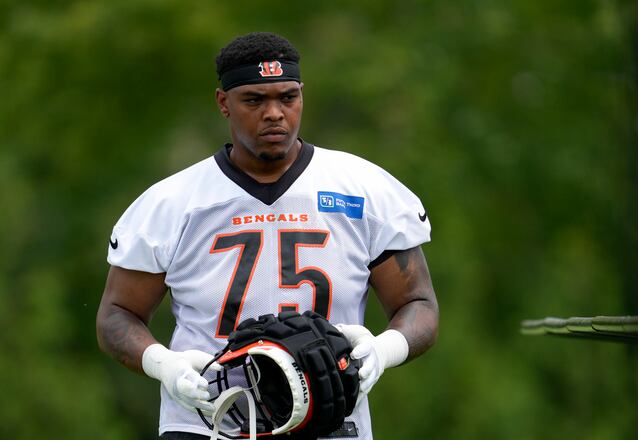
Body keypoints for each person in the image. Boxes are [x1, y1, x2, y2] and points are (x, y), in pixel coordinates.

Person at [96, 32, 439, 440]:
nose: (274, 113)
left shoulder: (364, 190)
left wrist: (384, 351)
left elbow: (418, 303)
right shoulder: (174, 202)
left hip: (329, 420)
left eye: (287, 97)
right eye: (255, 100)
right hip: (207, 421)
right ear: (224, 103)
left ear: (302, 97)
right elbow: (116, 314)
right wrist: (163, 365)